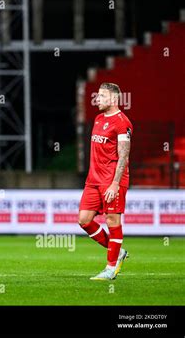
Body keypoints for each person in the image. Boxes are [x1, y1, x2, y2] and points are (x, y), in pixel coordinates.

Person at [78, 83, 132, 280]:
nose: (97, 99)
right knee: (84, 220)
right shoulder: (98, 119)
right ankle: (117, 251)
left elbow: (124, 156)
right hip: (93, 179)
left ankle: (110, 269)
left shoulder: (122, 122)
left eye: (101, 96)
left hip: (112, 180)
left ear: (114, 99)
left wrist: (115, 183)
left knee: (112, 220)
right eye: (97, 96)